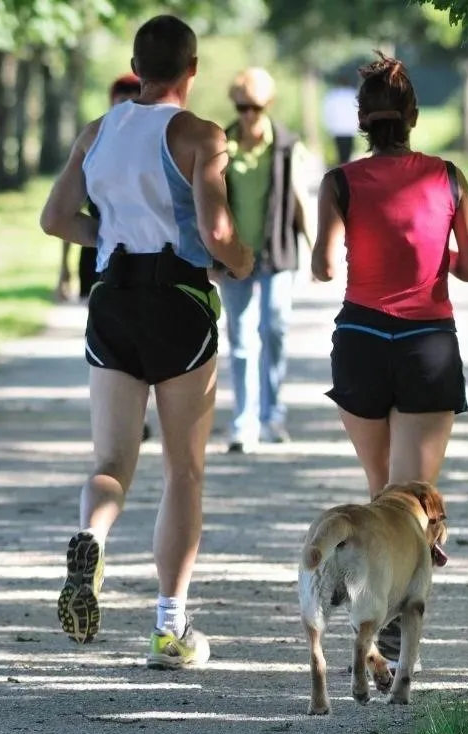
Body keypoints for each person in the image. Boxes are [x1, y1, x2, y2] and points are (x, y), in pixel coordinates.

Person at [39, 14, 254, 668]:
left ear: (137, 68)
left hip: (113, 302)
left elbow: (55, 218)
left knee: (110, 461)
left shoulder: (98, 132)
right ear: (192, 71)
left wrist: (107, 243)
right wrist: (243, 262)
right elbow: (217, 234)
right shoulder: (200, 135)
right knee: (184, 471)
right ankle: (170, 625)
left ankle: (92, 536)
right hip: (180, 303)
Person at [311, 53, 468, 665]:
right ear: (413, 115)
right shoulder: (448, 177)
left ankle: (373, 604)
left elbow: (323, 265)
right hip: (427, 343)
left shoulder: (339, 182)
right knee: (412, 498)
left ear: (361, 119)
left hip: (360, 338)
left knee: (381, 491)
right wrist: (439, 259)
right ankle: (392, 621)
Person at [216, 67, 318, 452]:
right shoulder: (221, 145)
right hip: (234, 256)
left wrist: (314, 251)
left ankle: (272, 414)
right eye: (242, 106)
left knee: (273, 332)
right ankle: (244, 422)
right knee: (240, 339)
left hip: (277, 253)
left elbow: (301, 202)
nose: (248, 114)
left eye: (255, 107)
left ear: (268, 105)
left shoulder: (288, 146)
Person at [56, 73, 143, 304]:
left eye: (133, 101)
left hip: (146, 259)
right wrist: (64, 268)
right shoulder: (93, 146)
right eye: (121, 101)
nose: (126, 108)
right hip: (96, 254)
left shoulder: (156, 150)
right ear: (111, 102)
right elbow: (65, 212)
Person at [322, 72, 361, 165]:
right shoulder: (353, 94)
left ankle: (341, 170)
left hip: (337, 129)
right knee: (347, 154)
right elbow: (358, 112)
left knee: (340, 154)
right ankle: (345, 170)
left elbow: (327, 112)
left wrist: (329, 126)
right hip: (349, 129)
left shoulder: (332, 95)